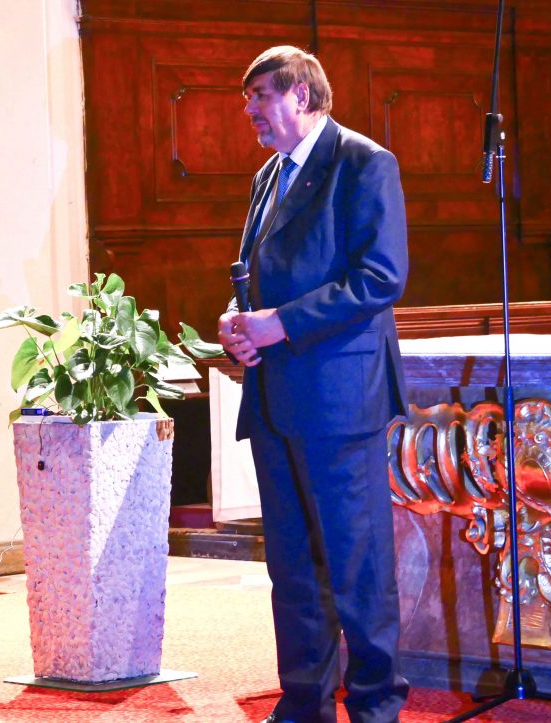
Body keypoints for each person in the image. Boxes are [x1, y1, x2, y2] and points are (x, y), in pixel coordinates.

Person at [217, 47, 410, 722]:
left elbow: (381, 276)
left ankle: (376, 706)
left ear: (301, 94)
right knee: (294, 567)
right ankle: (304, 702)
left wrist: (281, 324)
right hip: (275, 397)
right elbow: (259, 277)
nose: (250, 110)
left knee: (357, 565)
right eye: (247, 99)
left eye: (260, 96)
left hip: (338, 399)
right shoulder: (268, 175)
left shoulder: (363, 163)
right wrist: (239, 323)